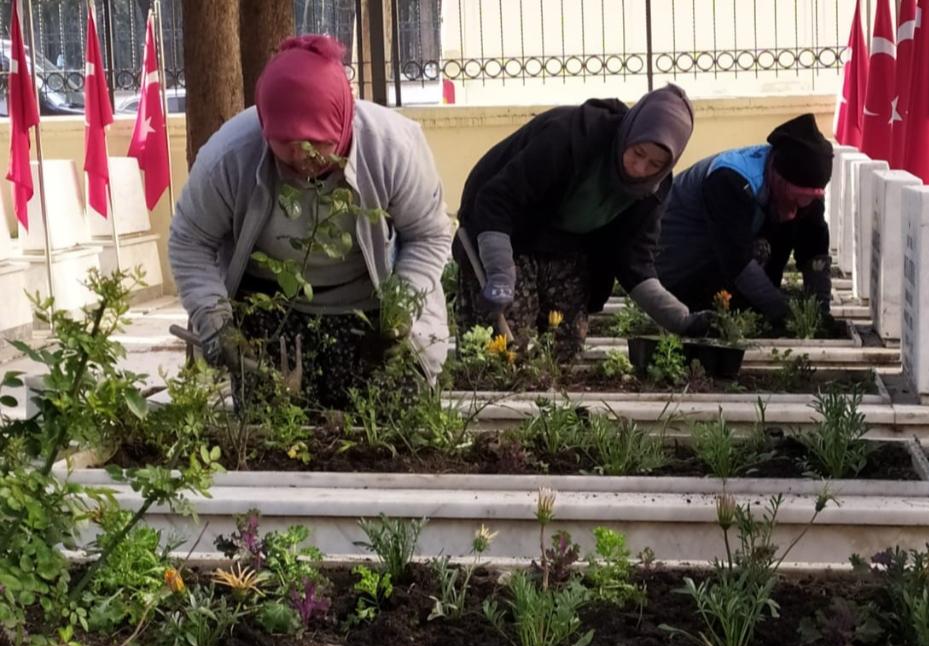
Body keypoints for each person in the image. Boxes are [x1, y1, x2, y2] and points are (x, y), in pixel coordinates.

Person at [169, 35, 453, 408]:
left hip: (371, 313)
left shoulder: (394, 148)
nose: (303, 159)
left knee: (389, 431)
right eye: (285, 146)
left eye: (317, 144)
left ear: (342, 120)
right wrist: (214, 320)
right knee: (271, 438)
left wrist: (398, 313)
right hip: (271, 316)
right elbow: (190, 241)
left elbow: (428, 236)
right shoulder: (229, 156)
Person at [453, 84, 712, 357]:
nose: (640, 169)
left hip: (567, 247)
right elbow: (497, 200)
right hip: (507, 232)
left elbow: (635, 262)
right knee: (499, 346)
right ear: (629, 132)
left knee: (567, 345)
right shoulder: (571, 135)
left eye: (655, 164)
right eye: (637, 153)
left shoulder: (652, 191)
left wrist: (681, 320)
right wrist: (501, 273)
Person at [655, 114, 834, 328]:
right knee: (748, 302)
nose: (799, 207)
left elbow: (814, 248)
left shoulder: (806, 191)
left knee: (788, 224)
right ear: (777, 176)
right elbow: (736, 261)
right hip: (678, 263)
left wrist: (820, 313)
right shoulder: (729, 180)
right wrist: (786, 315)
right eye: (796, 198)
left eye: (810, 199)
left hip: (723, 251)